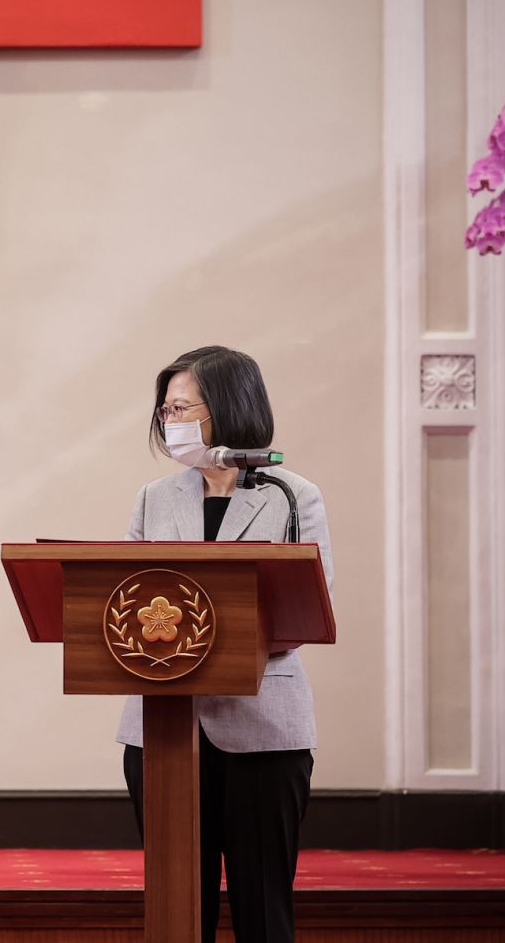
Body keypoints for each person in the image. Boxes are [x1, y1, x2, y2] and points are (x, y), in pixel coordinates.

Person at [117, 345, 333, 943]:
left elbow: (312, 607)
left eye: (181, 407)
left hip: (262, 723)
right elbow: (123, 599)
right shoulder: (153, 499)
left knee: (262, 906)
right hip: (161, 727)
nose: (170, 422)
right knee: (178, 908)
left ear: (228, 409)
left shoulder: (293, 496)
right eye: (165, 411)